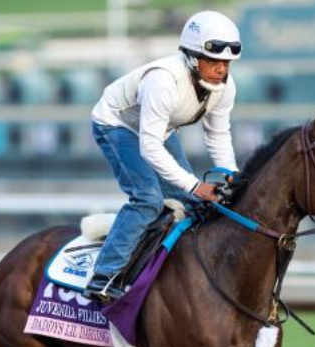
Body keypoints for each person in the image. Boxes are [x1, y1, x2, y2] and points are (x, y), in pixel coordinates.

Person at [84, 10, 242, 301]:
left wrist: (231, 173)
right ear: (193, 58)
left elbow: (218, 134)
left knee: (192, 204)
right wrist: (196, 184)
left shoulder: (225, 87)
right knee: (148, 199)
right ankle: (104, 275)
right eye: (214, 61)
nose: (221, 69)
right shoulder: (163, 81)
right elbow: (150, 148)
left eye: (226, 63)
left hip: (158, 131)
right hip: (116, 125)